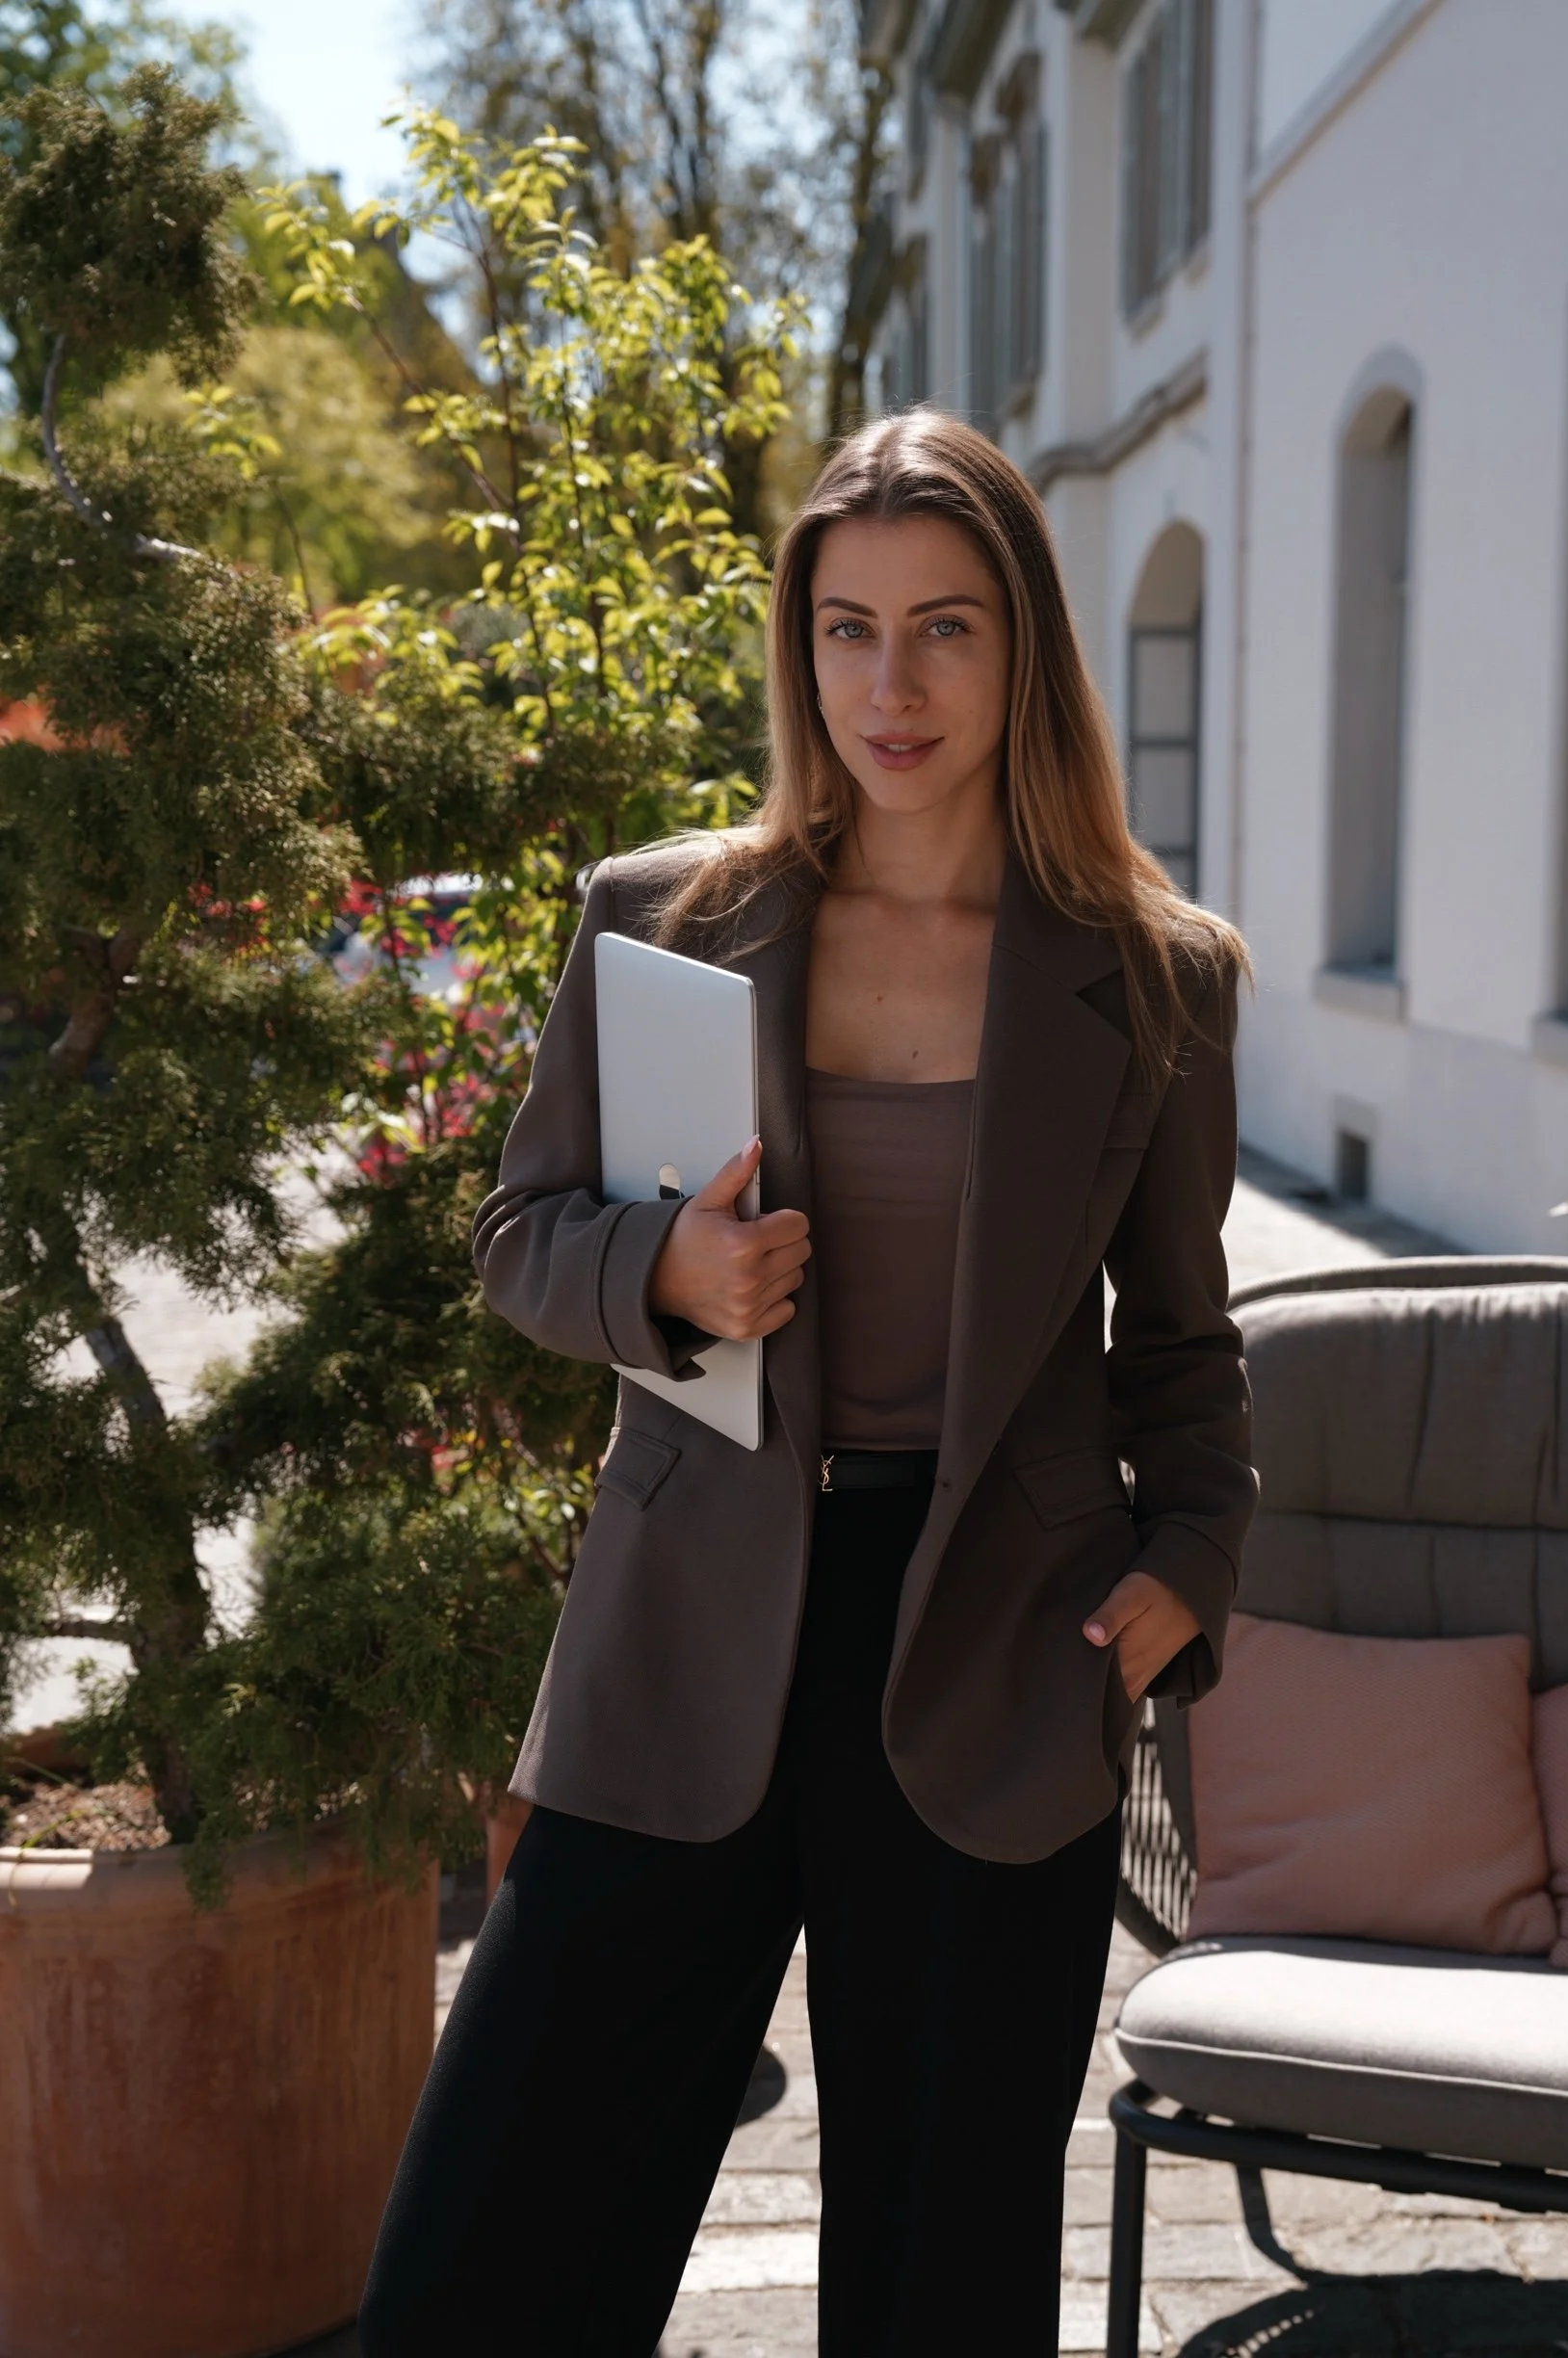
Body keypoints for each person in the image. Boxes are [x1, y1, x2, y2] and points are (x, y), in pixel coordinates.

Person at [359, 408, 1255, 2356]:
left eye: (944, 627)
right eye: (846, 629)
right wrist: (659, 1274)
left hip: (1003, 1648)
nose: (891, 684)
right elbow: (520, 1242)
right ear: (799, 648)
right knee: (489, 2252)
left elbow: (1183, 1345)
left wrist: (1188, 1569)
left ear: (1023, 649)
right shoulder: (664, 919)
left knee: (945, 2282)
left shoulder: (1154, 978)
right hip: (686, 1628)